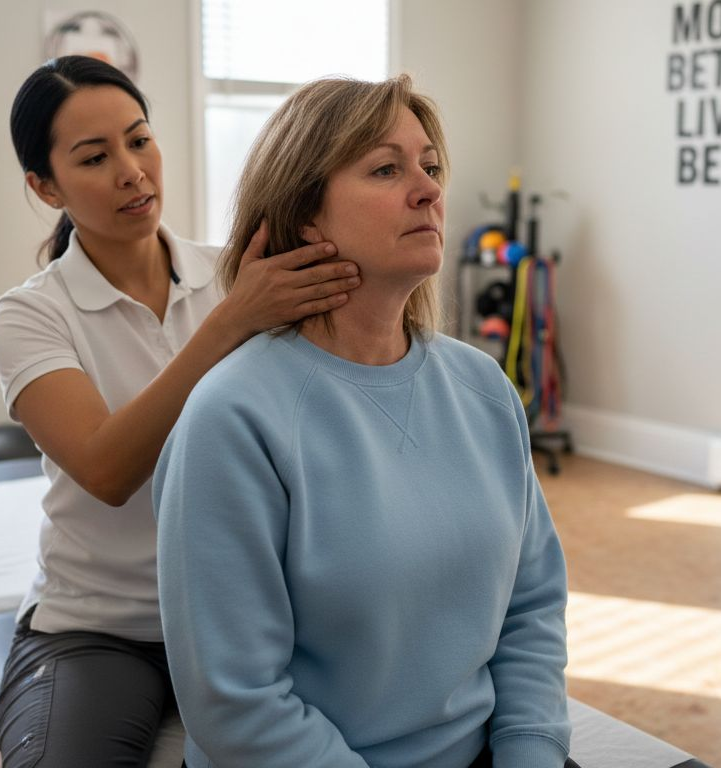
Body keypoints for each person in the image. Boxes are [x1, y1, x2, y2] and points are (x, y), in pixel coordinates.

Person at [153, 75, 571, 768]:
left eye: (430, 166)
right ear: (305, 216)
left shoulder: (483, 388)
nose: (429, 189)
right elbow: (237, 703)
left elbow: (531, 608)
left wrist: (530, 751)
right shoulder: (232, 417)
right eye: (386, 168)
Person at [0, 56, 362, 767]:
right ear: (45, 186)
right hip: (104, 627)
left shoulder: (237, 274)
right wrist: (231, 322)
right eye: (95, 157)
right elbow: (105, 467)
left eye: (140, 139)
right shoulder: (30, 314)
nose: (133, 170)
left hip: (251, 615)